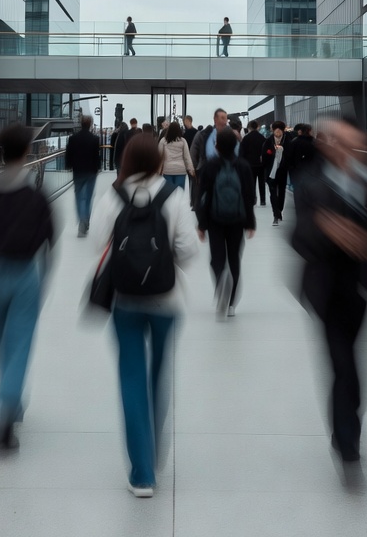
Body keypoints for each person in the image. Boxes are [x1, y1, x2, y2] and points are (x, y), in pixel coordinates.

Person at [91, 134, 198, 496]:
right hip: (167, 301)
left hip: (124, 300)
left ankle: (141, 473)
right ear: (156, 162)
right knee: (158, 376)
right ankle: (153, 449)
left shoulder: (111, 196)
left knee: (131, 377)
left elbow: (97, 243)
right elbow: (188, 249)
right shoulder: (174, 197)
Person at [291, 119, 367, 471]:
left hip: (360, 289)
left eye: (351, 144)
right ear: (327, 145)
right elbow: (297, 238)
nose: (344, 149)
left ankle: (347, 423)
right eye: (338, 142)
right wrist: (328, 229)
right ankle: (347, 437)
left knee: (355, 365)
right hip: (326, 287)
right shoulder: (310, 185)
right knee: (342, 362)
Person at [0, 123, 56, 452]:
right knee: (20, 344)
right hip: (26, 274)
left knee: (0, 342)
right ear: (26, 153)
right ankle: (9, 410)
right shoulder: (35, 195)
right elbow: (50, 236)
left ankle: (10, 402)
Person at [195, 127, 256, 316]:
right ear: (236, 145)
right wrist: (250, 222)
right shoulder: (244, 166)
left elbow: (202, 196)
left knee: (217, 258)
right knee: (234, 259)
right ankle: (230, 305)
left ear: (217, 146)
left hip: (214, 219)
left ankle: (221, 278)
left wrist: (202, 224)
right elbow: (249, 196)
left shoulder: (209, 166)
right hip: (238, 219)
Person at [65, 115, 102, 236]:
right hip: (91, 171)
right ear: (90, 124)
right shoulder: (95, 139)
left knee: (79, 197)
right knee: (88, 198)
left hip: (78, 172)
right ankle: (85, 220)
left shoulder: (73, 138)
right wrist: (98, 167)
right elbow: (97, 156)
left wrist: (68, 165)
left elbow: (69, 155)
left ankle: (82, 220)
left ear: (80, 124)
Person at [262, 121, 289, 226]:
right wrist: (272, 153)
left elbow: (290, 155)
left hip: (282, 171)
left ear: (282, 131)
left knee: (281, 192)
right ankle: (275, 214)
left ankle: (280, 209)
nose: (277, 132)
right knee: (273, 193)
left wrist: (283, 152)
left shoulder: (287, 141)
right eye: (276, 130)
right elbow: (264, 156)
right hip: (270, 172)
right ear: (273, 131)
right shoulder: (268, 142)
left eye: (279, 130)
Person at [190, 107, 230, 176]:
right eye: (222, 118)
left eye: (226, 118)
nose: (225, 121)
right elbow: (193, 153)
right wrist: (196, 169)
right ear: (215, 119)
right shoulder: (202, 135)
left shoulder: (230, 135)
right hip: (206, 171)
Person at [158, 120, 195, 191]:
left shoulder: (163, 141)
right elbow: (187, 157)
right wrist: (191, 170)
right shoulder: (183, 141)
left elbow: (160, 156)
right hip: (180, 170)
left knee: (168, 193)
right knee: (179, 193)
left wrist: (158, 171)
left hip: (168, 170)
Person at [239, 119, 267, 206]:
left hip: (249, 164)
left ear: (249, 127)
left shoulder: (246, 138)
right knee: (262, 183)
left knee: (252, 183)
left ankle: (253, 199)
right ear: (257, 127)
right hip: (261, 164)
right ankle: (263, 200)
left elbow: (241, 152)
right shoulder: (262, 138)